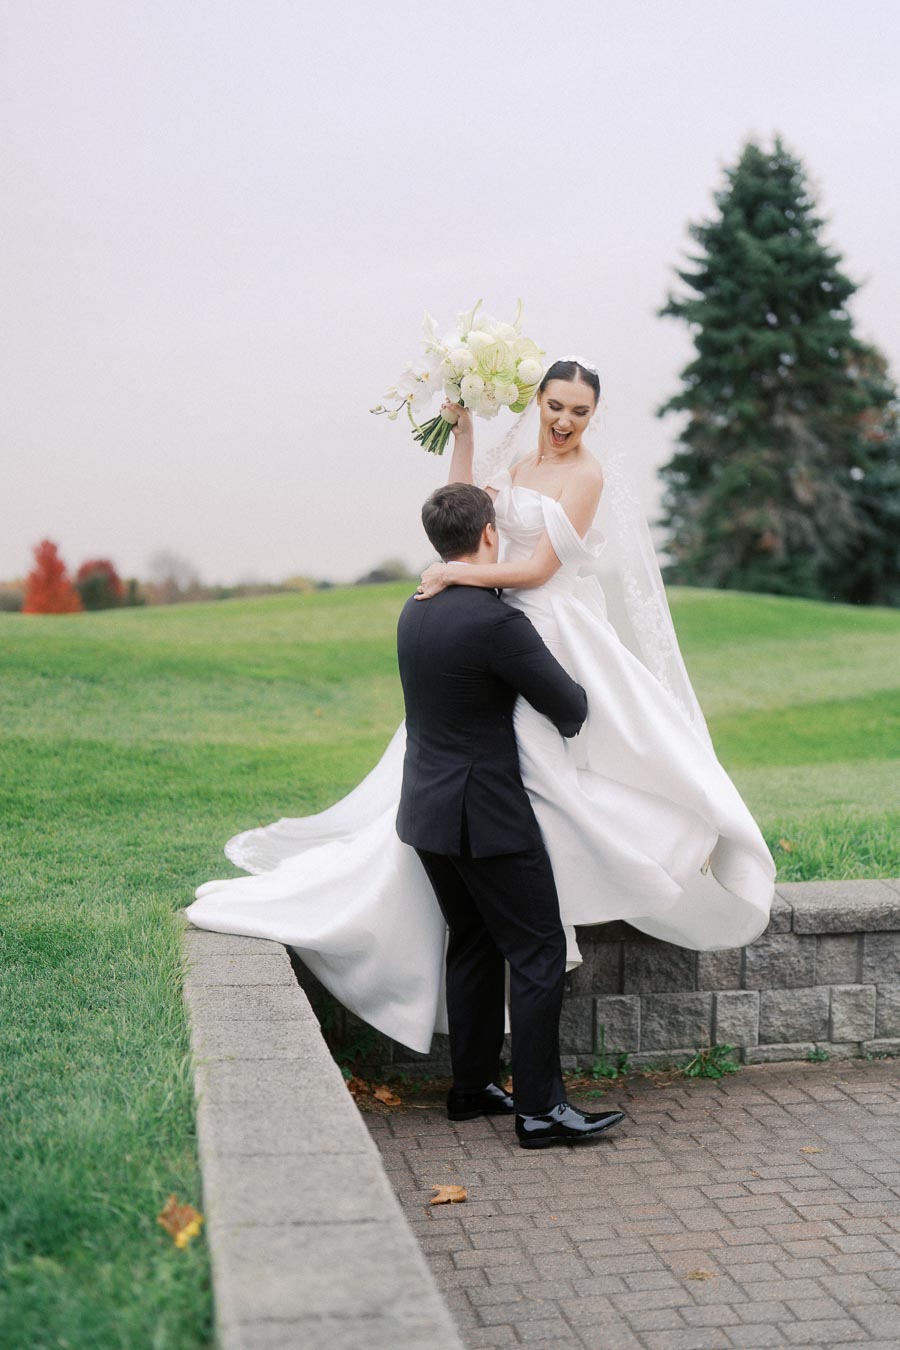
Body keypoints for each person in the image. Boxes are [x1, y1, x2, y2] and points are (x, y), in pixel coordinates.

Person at [186, 358, 774, 1067]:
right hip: (494, 627)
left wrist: (462, 573)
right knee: (492, 756)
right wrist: (462, 429)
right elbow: (464, 502)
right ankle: (508, 884)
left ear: (593, 415)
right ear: (538, 402)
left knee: (564, 754)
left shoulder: (587, 477)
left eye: (579, 412)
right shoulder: (519, 459)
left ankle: (575, 867)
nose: (564, 421)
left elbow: (535, 572)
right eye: (556, 406)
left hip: (545, 624)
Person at [396, 479, 624, 1145]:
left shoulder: (417, 608)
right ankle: (541, 1110)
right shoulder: (496, 622)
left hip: (426, 813)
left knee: (472, 941)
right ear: (490, 537)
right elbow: (572, 709)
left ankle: (471, 1089)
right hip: (486, 817)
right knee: (538, 948)